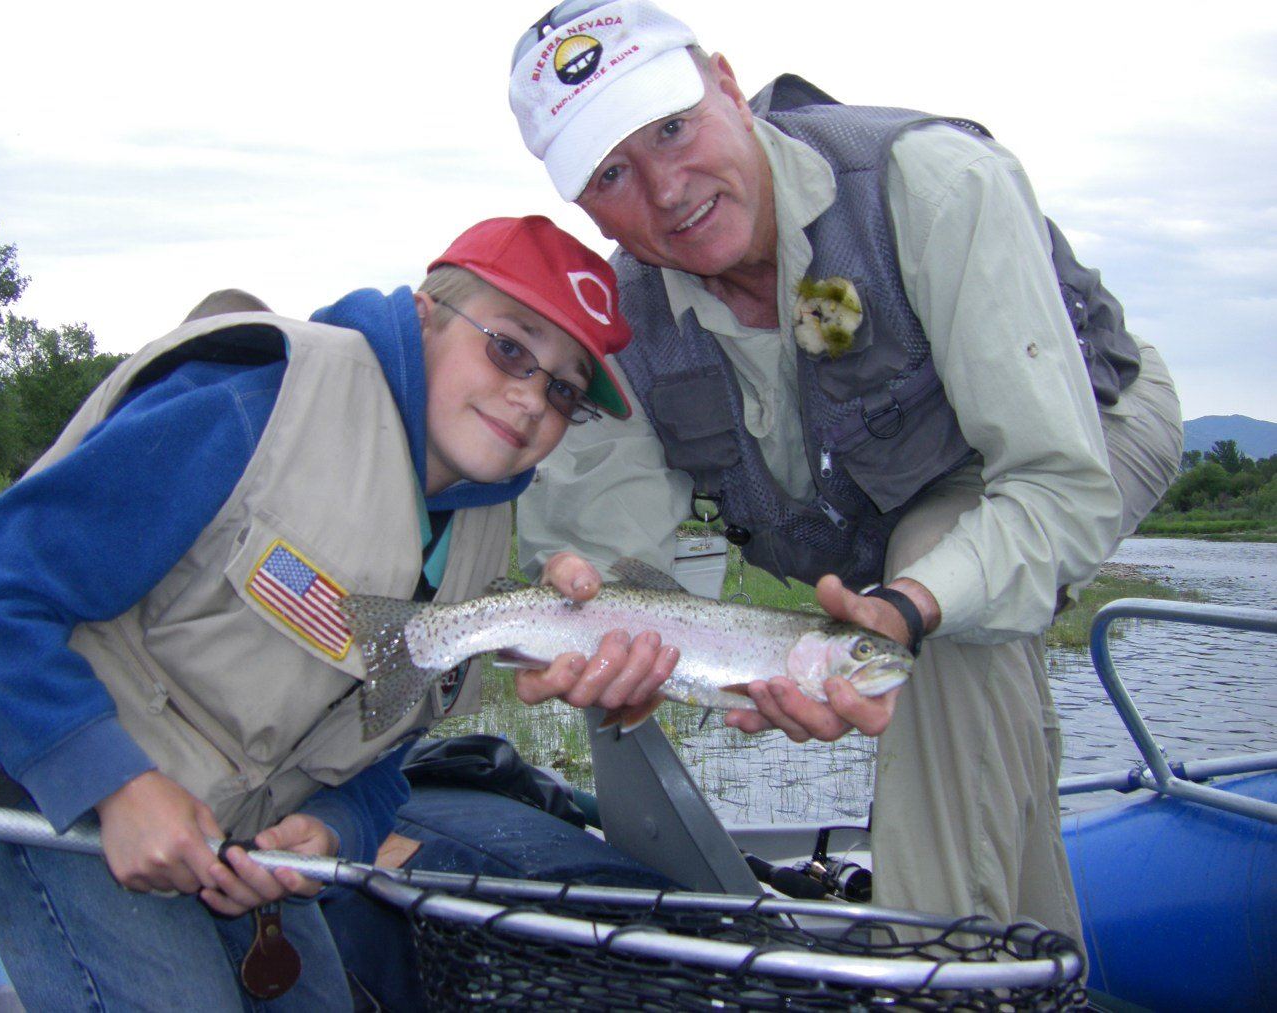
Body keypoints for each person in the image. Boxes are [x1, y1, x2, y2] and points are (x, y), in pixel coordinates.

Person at [504, 0, 1183, 941]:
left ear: (728, 85)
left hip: (1078, 428)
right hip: (867, 528)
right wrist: (610, 634)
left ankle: (937, 973)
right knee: (943, 606)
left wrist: (909, 605)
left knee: (944, 583)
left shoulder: (934, 186)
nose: (665, 189)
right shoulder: (623, 326)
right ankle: (1025, 964)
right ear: (581, 201)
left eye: (671, 127)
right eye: (612, 172)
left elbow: (1053, 483)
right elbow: (609, 562)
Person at [0, 214, 635, 1009]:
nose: (530, 396)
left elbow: (381, 749)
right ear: (424, 315)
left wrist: (333, 826)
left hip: (237, 831)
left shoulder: (480, 532)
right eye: (508, 347)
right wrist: (116, 784)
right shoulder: (258, 402)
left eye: (563, 388)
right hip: (54, 769)